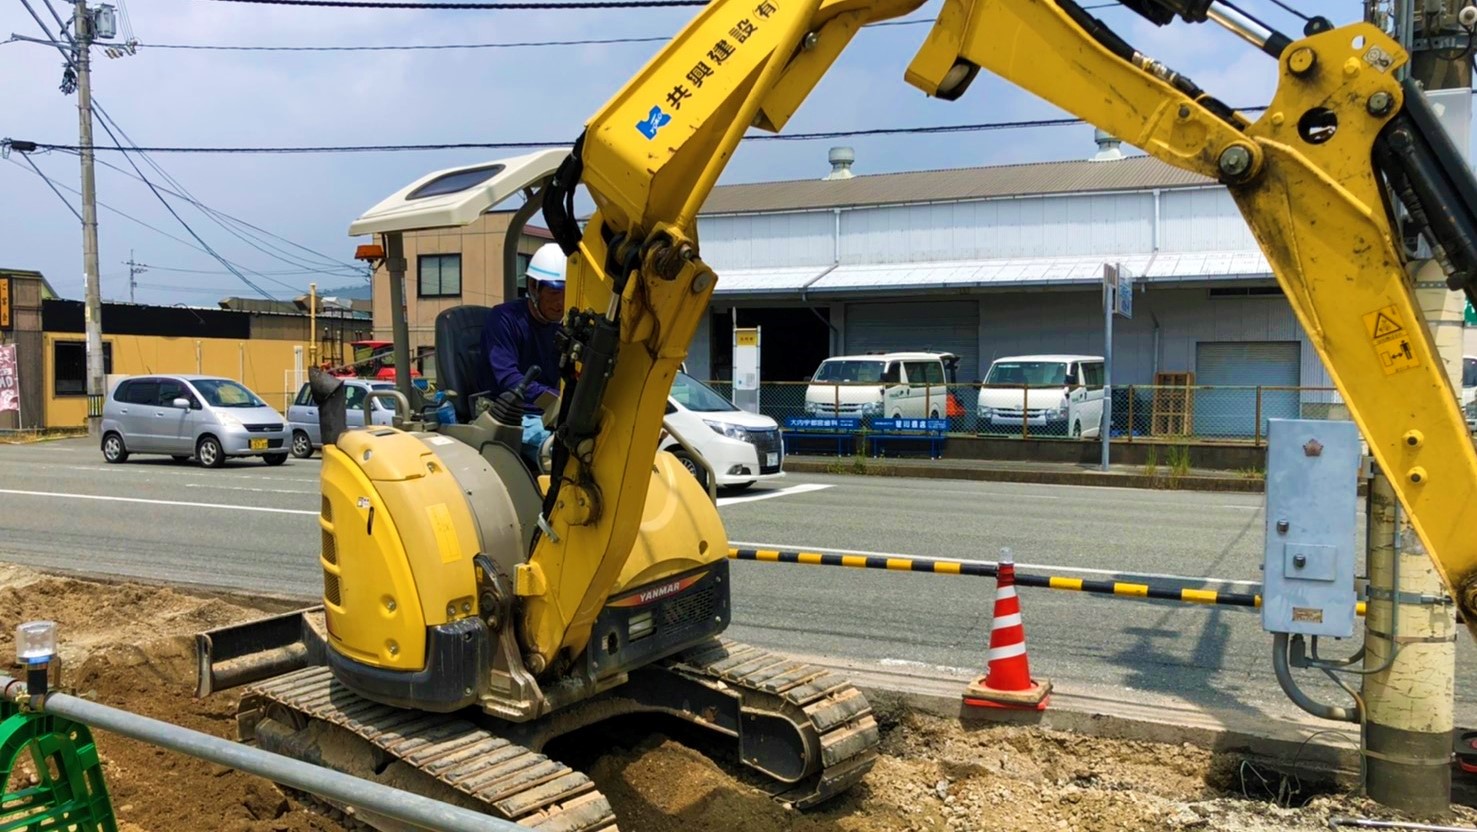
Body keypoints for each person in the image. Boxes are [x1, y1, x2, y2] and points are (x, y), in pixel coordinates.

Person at [481, 243, 566, 464]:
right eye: (555, 292)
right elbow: (508, 378)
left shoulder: (562, 328)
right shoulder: (504, 320)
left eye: (567, 293)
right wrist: (555, 399)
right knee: (563, 455)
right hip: (515, 414)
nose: (561, 302)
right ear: (533, 287)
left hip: (552, 415)